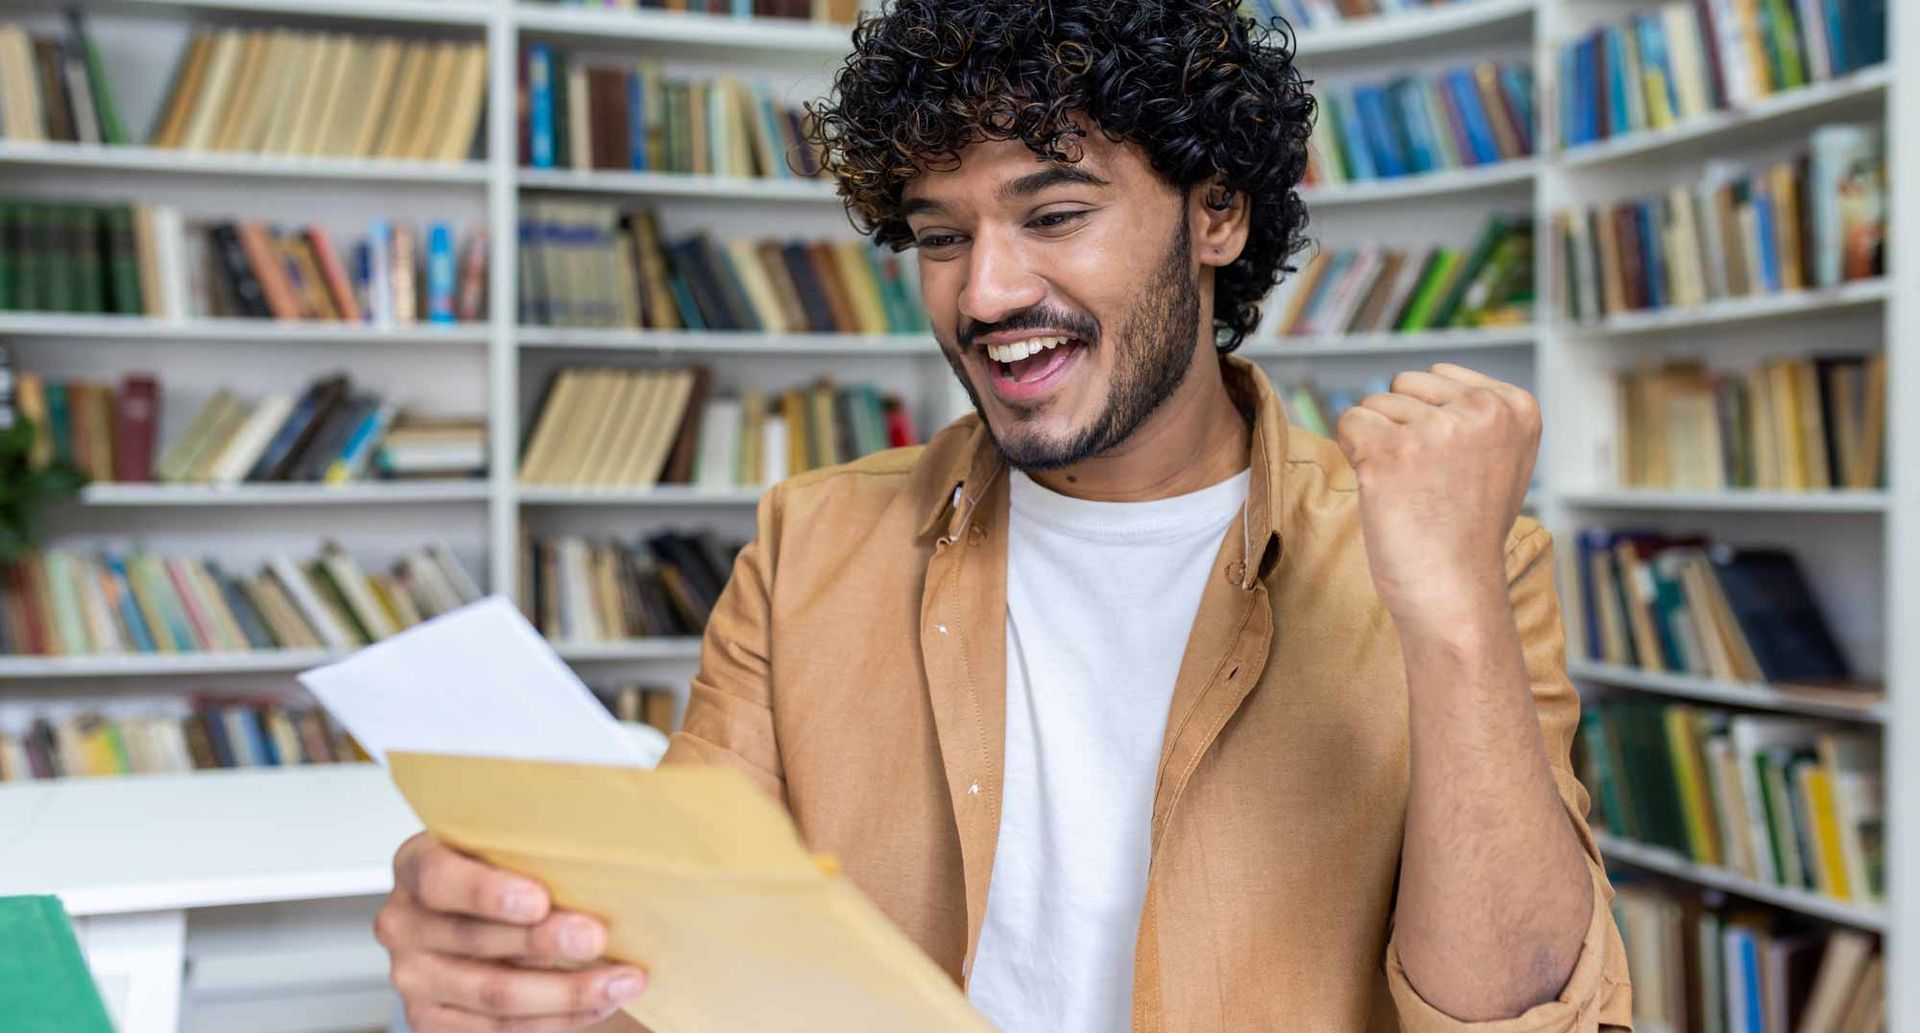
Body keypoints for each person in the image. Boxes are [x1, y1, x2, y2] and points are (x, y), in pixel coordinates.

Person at [373, 1, 1634, 1030]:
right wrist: (532, 975)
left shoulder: (1455, 560)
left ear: (1217, 214)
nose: (985, 291)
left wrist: (1453, 620)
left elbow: (1521, 1016)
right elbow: (685, 972)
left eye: (1054, 214)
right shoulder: (809, 541)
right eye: (938, 236)